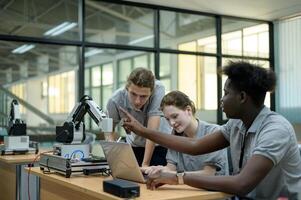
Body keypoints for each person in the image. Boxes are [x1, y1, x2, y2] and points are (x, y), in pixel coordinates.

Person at [120, 61, 301, 199]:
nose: (222, 100)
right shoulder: (236, 125)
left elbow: (241, 184)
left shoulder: (275, 130)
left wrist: (178, 178)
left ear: (242, 97)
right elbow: (195, 145)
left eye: (225, 93)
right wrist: (142, 131)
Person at [143, 90, 228, 177]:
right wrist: (157, 170)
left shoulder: (213, 132)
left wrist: (175, 176)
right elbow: (171, 168)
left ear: (188, 110)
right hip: (187, 189)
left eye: (175, 116)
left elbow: (209, 173)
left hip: (212, 190)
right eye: (167, 119)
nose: (172, 123)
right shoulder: (175, 135)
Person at [106, 67, 171, 167]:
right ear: (127, 88)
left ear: (151, 92)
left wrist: (145, 165)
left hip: (160, 146)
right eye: (133, 94)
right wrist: (113, 156)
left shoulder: (158, 88)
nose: (137, 101)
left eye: (143, 96)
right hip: (134, 146)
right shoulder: (115, 100)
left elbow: (152, 131)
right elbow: (108, 131)